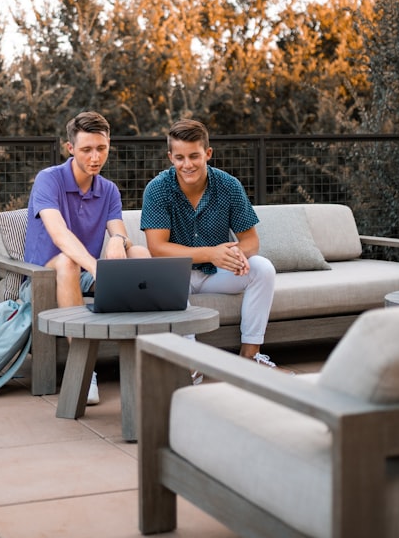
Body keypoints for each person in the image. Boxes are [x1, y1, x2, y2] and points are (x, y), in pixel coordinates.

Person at [23, 111, 150, 404]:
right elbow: (59, 235)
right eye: (87, 150)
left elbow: (119, 231)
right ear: (70, 149)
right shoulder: (48, 180)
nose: (95, 157)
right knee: (68, 261)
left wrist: (119, 241)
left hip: (87, 276)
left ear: (108, 145)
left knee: (140, 253)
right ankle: (84, 371)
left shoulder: (108, 190)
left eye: (101, 148)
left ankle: (148, 359)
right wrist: (96, 267)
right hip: (42, 279)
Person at [140, 118, 277, 370]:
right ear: (170, 157)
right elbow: (157, 248)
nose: (187, 164)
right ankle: (190, 365)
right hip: (176, 278)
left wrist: (233, 256)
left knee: (263, 268)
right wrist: (211, 254)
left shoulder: (229, 185)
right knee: (162, 277)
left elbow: (251, 242)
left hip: (216, 276)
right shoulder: (157, 189)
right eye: (179, 158)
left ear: (208, 153)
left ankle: (250, 357)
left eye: (194, 156)